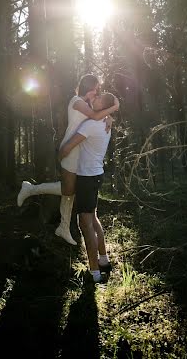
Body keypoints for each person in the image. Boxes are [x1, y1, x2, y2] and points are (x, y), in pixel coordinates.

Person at [17, 74, 119, 245]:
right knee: (68, 190)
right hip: (70, 149)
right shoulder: (76, 101)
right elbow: (95, 116)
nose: (97, 91)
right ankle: (30, 189)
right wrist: (114, 108)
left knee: (70, 191)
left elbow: (99, 114)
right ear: (88, 87)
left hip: (80, 151)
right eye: (95, 88)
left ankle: (64, 227)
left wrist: (109, 117)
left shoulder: (88, 104)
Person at [58, 91, 116, 283]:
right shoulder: (104, 123)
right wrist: (109, 114)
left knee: (85, 224)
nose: (94, 98)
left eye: (98, 98)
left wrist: (59, 158)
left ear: (104, 106)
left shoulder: (90, 125)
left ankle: (95, 274)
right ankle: (104, 260)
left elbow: (67, 148)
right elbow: (107, 108)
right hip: (96, 175)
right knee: (93, 218)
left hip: (86, 178)